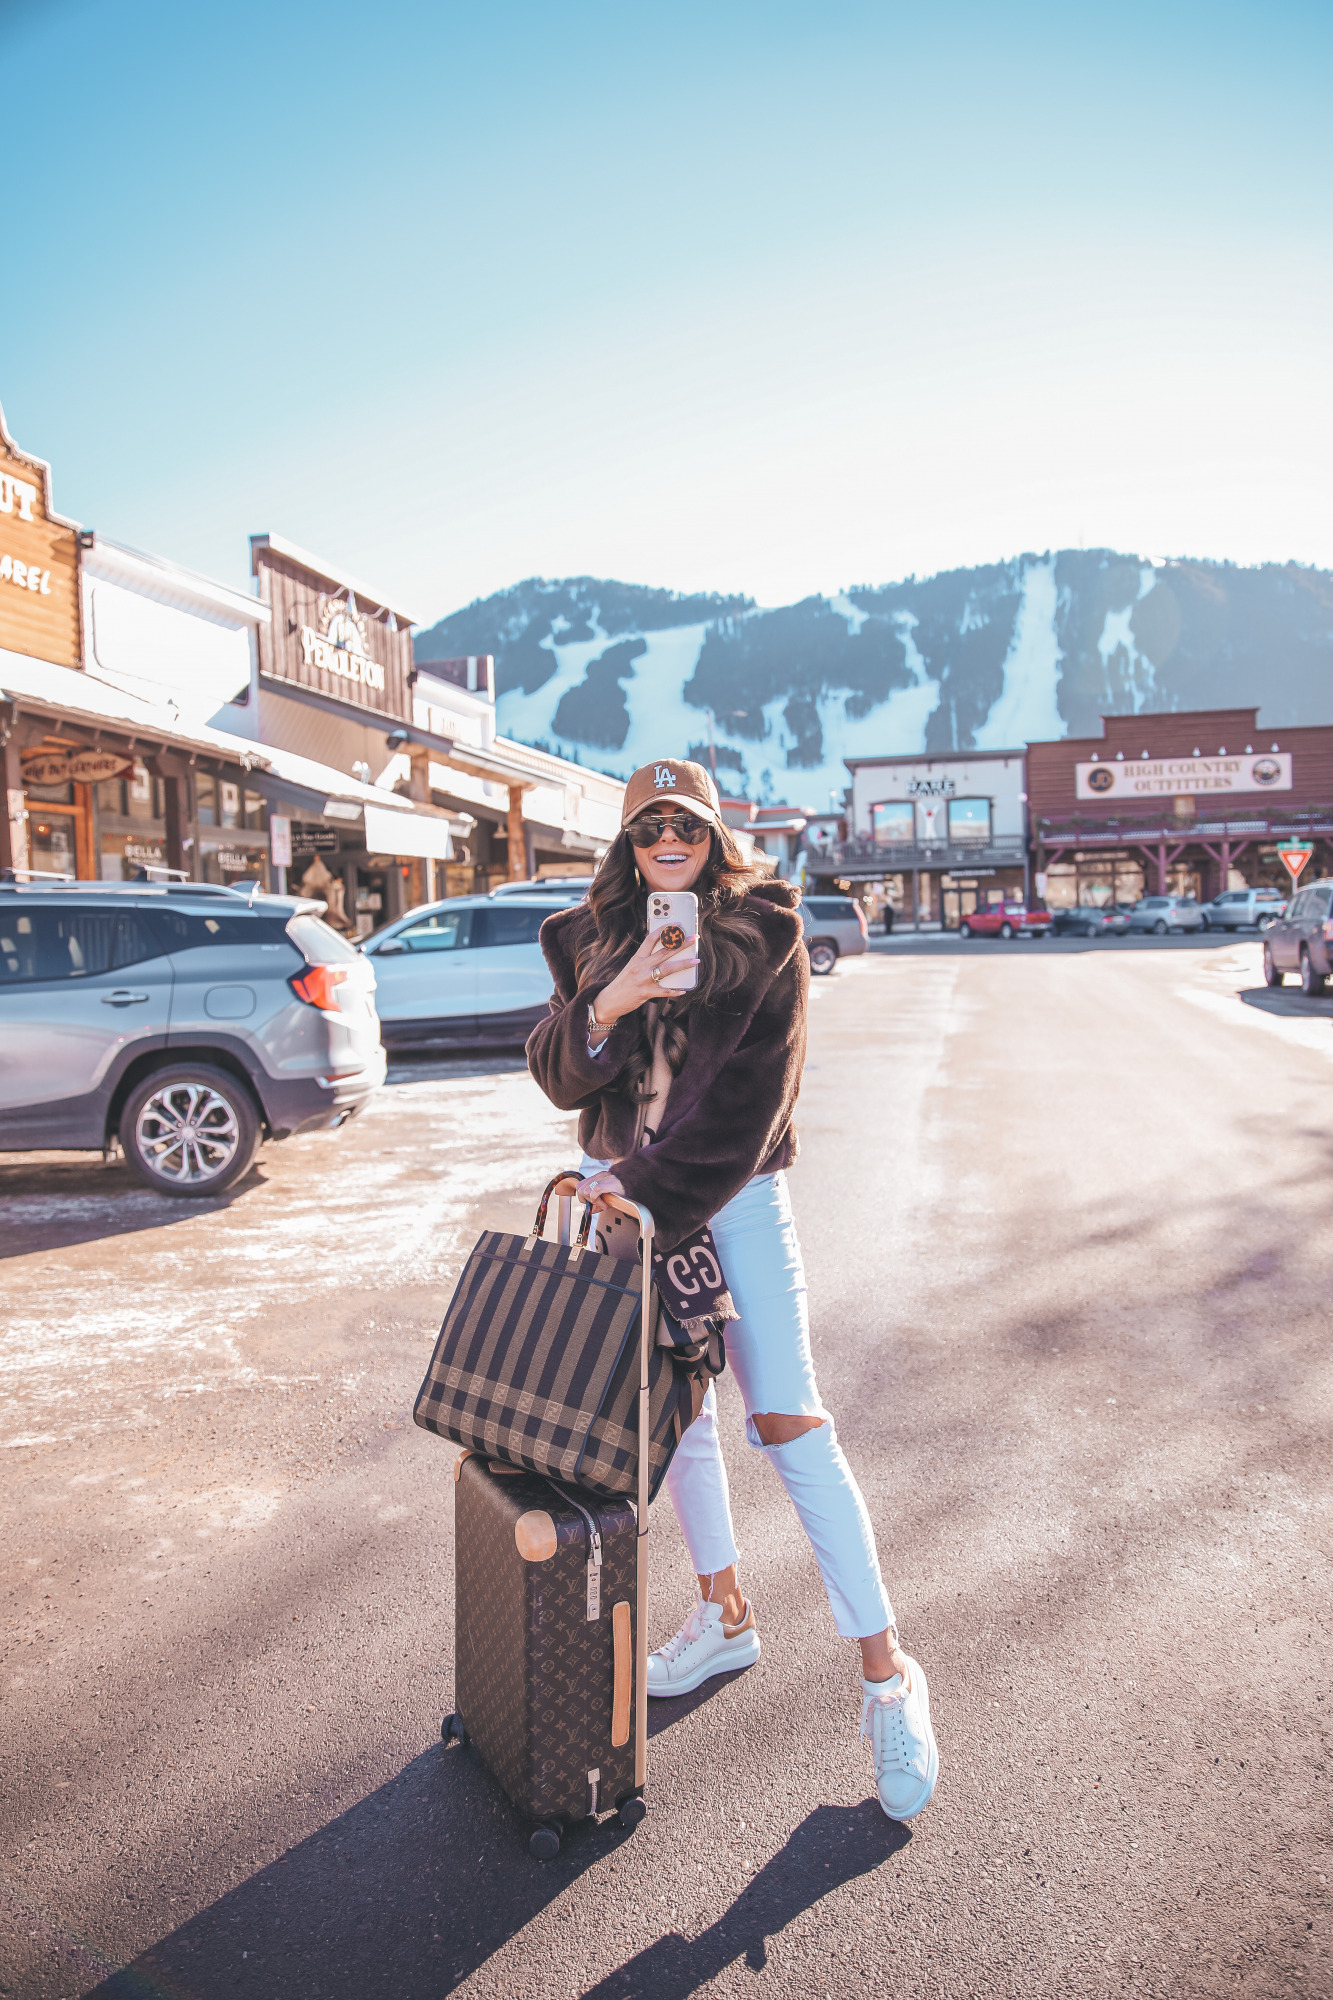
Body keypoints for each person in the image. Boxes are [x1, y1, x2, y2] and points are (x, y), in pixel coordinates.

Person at [526, 758, 939, 1822]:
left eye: (689, 823)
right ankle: (723, 1611)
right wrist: (609, 999)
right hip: (632, 1201)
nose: (670, 836)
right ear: (628, 838)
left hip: (733, 1198)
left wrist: (643, 1185)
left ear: (714, 837)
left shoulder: (764, 935)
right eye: (650, 822)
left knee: (791, 1421)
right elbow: (558, 1073)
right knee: (679, 1419)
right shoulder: (586, 939)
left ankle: (887, 1677)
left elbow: (748, 1106)